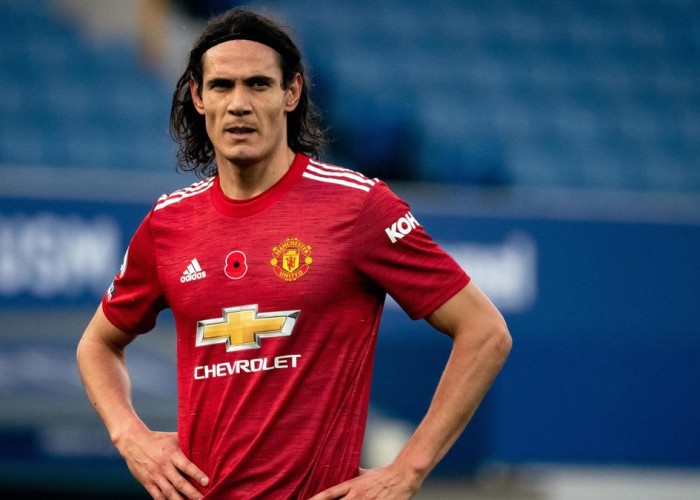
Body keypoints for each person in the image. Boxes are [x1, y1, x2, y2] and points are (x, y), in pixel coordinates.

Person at [76, 7, 511, 499]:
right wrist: (130, 437)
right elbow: (96, 345)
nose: (239, 104)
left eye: (258, 84)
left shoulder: (358, 207)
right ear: (198, 97)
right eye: (221, 86)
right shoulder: (168, 222)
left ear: (292, 92)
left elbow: (484, 332)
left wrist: (408, 470)